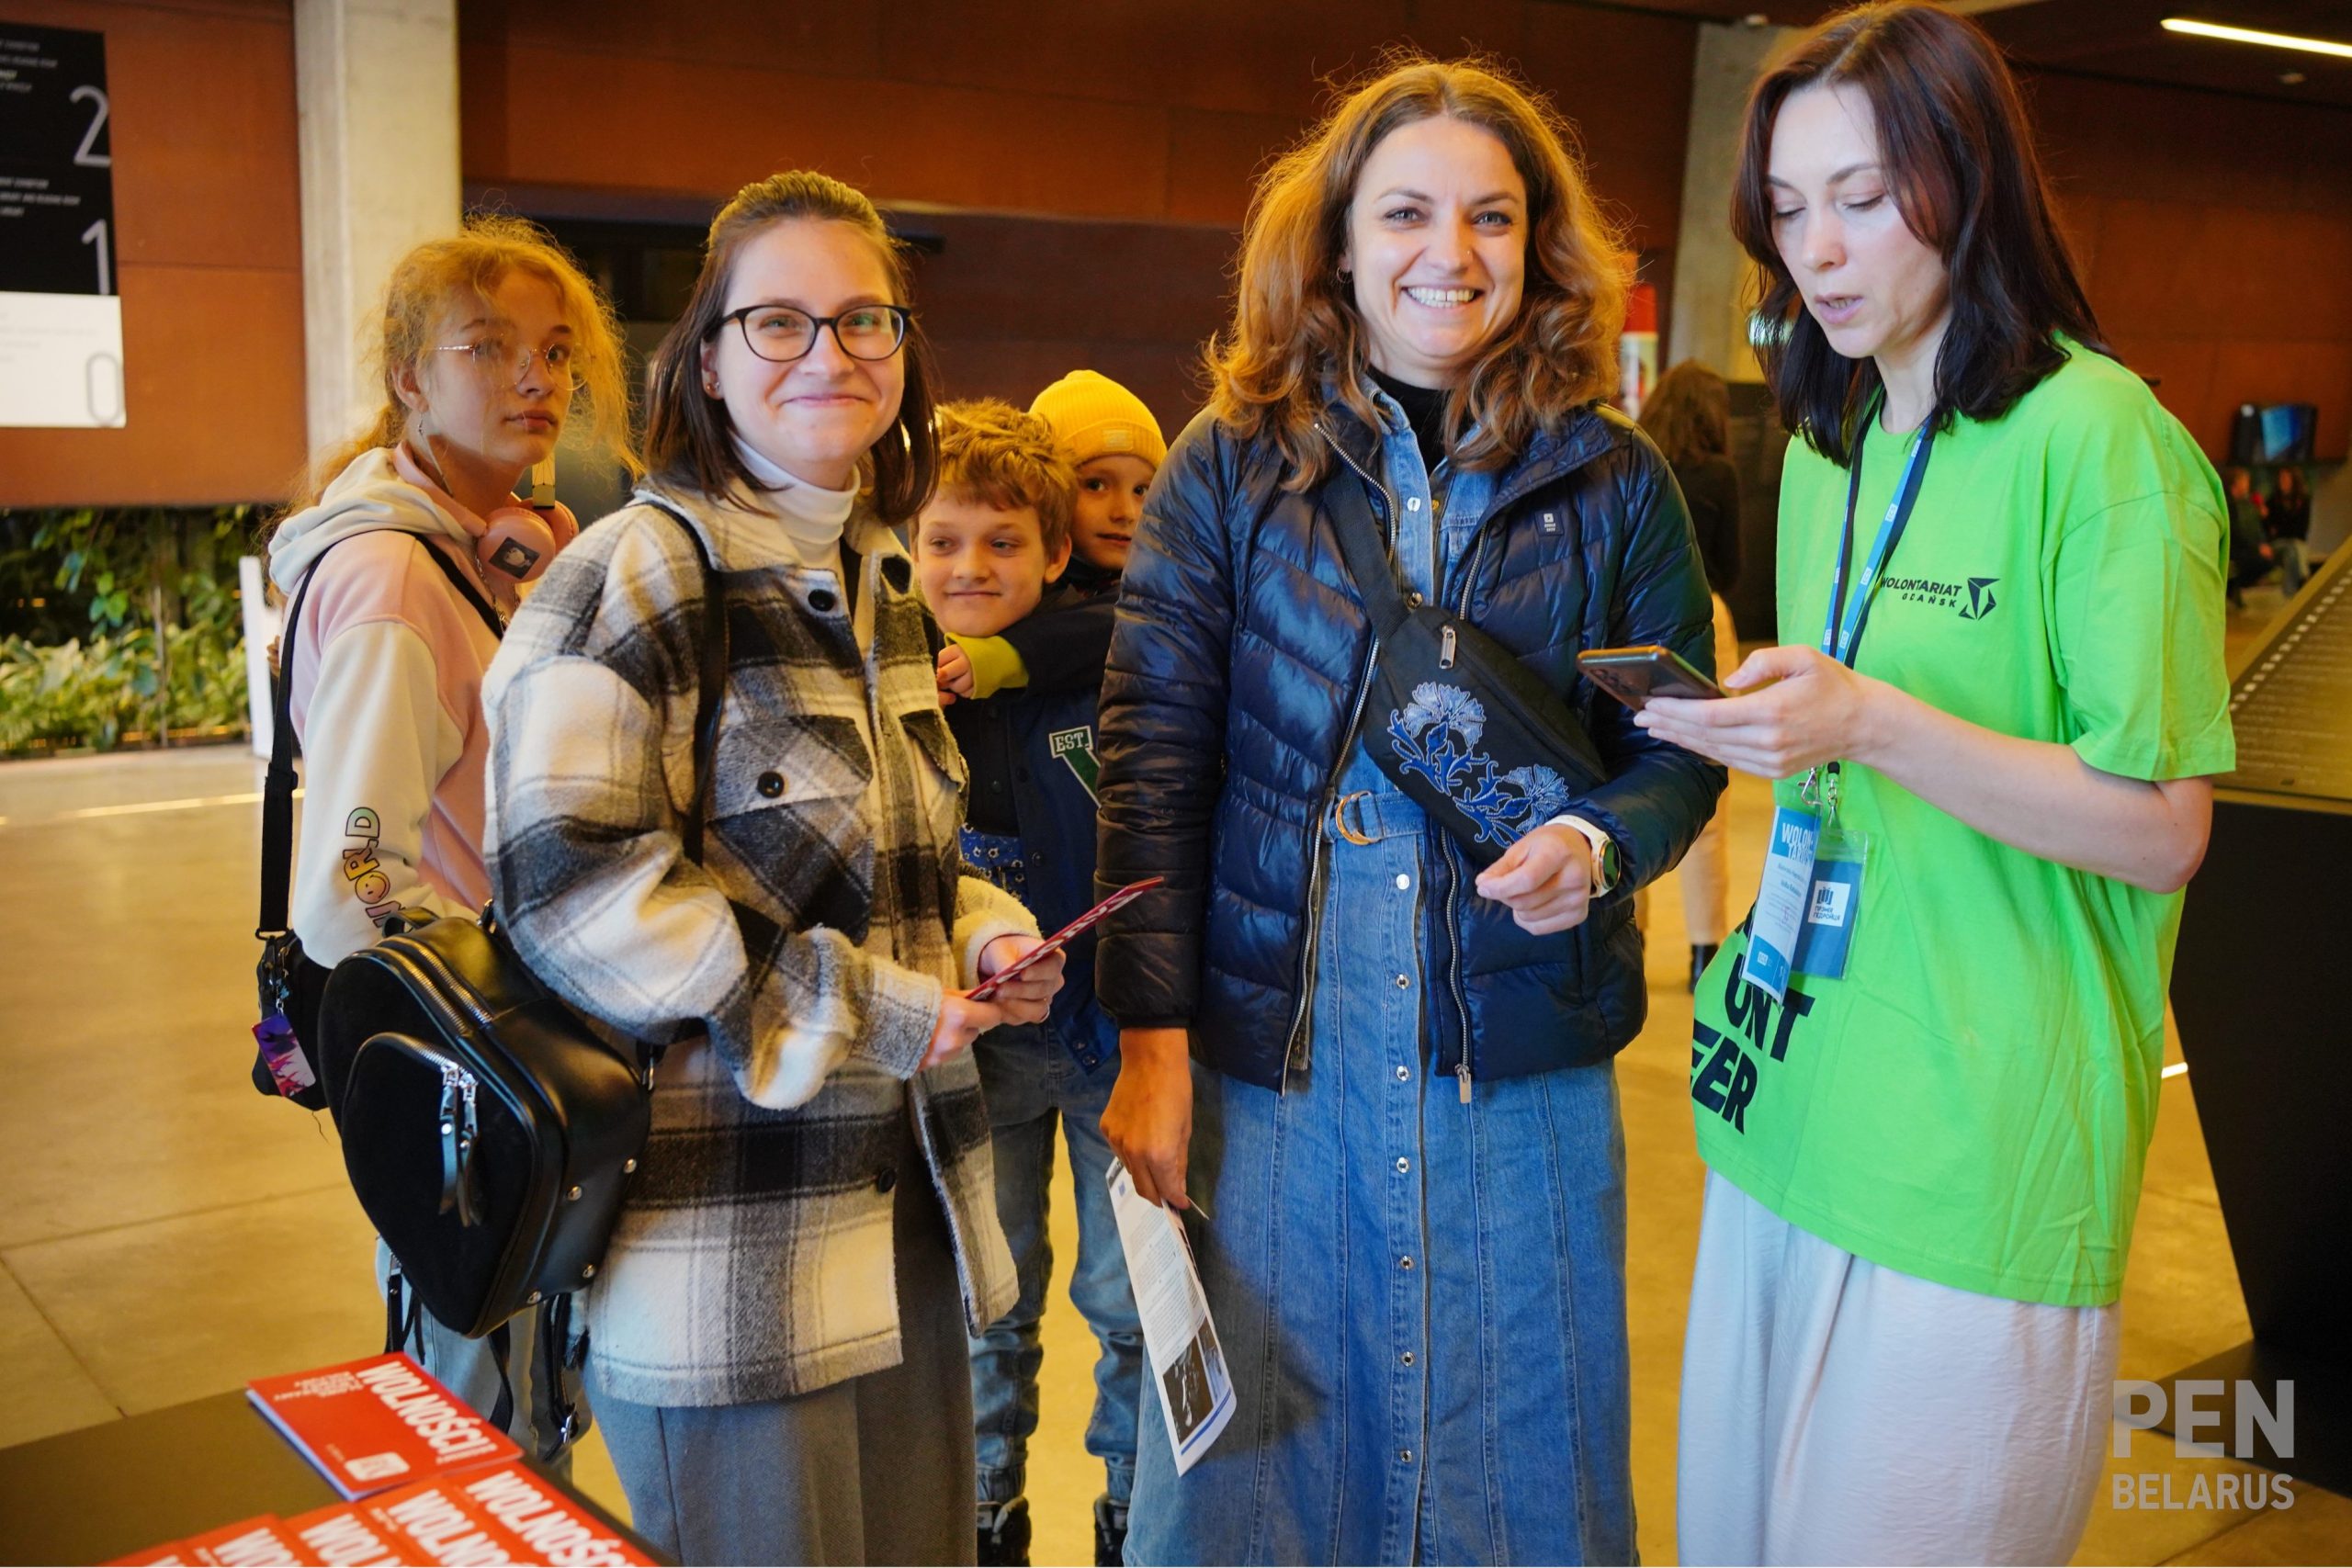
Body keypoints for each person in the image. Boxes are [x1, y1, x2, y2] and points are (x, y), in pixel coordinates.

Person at [1091, 56, 1725, 1566]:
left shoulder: (1619, 482)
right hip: (1277, 1072)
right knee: (1262, 1481)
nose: (1452, 252)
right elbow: (1154, 759)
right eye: (1407, 213)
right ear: (1336, 240)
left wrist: (1600, 842)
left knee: (1519, 1472)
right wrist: (1153, 1043)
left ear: (1539, 244)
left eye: (1491, 216)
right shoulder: (1227, 471)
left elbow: (1680, 744)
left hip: (1516, 1076)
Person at [1634, 6, 2233, 1562]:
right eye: (1787, 208)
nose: (1817, 252)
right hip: (1786, 1100)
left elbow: (2163, 831)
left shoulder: (2100, 442)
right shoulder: (1823, 441)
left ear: (1966, 184)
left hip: (1979, 1150)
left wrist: (1875, 722)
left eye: (1861, 197)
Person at [479, 170, 1065, 1567]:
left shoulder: (880, 572)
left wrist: (984, 937)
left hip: (906, 1216)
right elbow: (570, 895)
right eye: (779, 321)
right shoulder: (636, 573)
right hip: (726, 1261)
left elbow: (904, 855)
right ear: (707, 357)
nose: (829, 353)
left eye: (865, 318)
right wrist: (876, 1007)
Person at [263, 215, 633, 1458]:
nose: (536, 377)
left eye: (555, 351)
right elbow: (352, 873)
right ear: (408, 379)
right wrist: (472, 1003)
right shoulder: (393, 579)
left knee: (513, 1384)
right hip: (475, 1058)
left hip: (512, 1041)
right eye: (490, 347)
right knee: (479, 1416)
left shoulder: (481, 550)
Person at [914, 399, 1149, 1568]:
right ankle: (985, 1515)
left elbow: (1129, 626)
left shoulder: (1109, 652)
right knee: (986, 1300)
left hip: (1110, 1032)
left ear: (1055, 553)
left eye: (1003, 542)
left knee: (1132, 1300)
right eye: (944, 541)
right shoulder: (899, 685)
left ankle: (1132, 1517)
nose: (971, 568)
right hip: (973, 1048)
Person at [934, 371, 1168, 707]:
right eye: (1096, 485)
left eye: (1142, 490)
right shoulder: (1008, 582)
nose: (1125, 512)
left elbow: (1129, 620)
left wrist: (1008, 655)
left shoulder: (1158, 589)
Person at [1638, 359, 1744, 987]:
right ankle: (1705, 951)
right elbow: (1730, 568)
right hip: (1706, 619)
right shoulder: (1719, 474)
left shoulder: (1639, 462)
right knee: (1706, 785)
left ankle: (1633, 936)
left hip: (1635, 628)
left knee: (1628, 780)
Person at [2222, 465, 2272, 608]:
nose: (2247, 485)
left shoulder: (2247, 504)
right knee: (2260, 562)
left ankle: (2233, 587)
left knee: (2269, 559)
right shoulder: (2229, 504)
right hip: (2234, 549)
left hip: (2246, 547)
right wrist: (2257, 548)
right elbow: (2236, 533)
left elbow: (2254, 530)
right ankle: (2232, 587)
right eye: (2245, 481)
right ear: (2236, 483)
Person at [2267, 464, 2312, 595]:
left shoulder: (2303, 501)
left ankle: (2289, 594)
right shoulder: (2272, 501)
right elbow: (2271, 531)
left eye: (2286, 478)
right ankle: (2304, 578)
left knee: (2292, 551)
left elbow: (2301, 529)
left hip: (2296, 543)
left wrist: (2281, 528)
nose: (2282, 481)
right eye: (2281, 478)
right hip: (2279, 544)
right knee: (2293, 548)